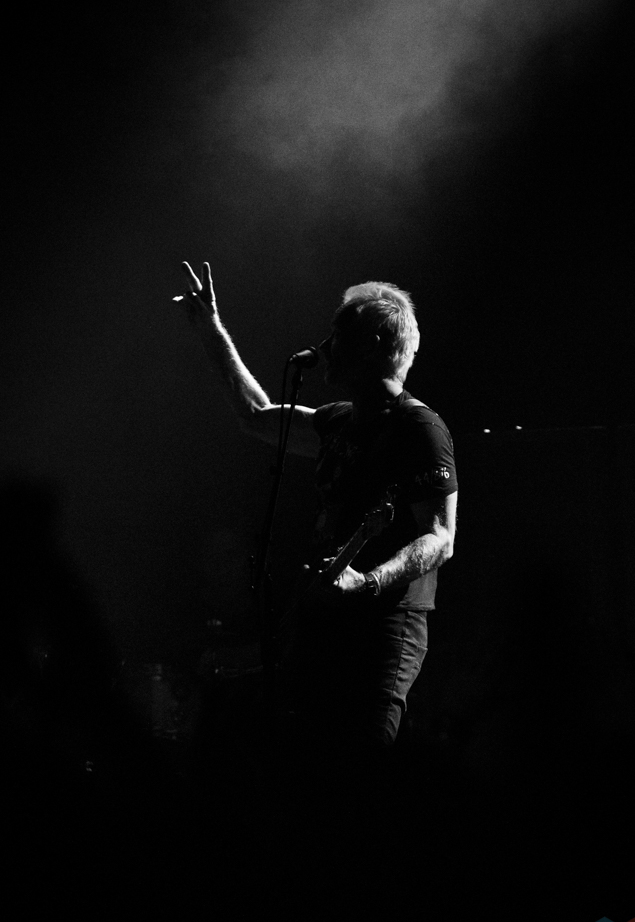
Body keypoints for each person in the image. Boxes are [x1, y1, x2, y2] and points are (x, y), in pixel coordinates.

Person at [174, 261, 457, 816]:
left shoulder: (420, 428)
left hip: (385, 630)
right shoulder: (339, 422)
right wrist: (210, 328)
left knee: (362, 775)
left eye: (338, 333)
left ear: (374, 345)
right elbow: (257, 415)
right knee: (309, 774)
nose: (325, 347)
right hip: (325, 625)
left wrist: (366, 581)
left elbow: (440, 537)